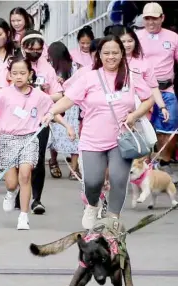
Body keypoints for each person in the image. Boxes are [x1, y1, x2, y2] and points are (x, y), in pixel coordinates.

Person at [42, 35, 154, 229]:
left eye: (115, 53)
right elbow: (69, 99)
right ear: (99, 55)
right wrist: (51, 111)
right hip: (92, 138)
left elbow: (149, 99)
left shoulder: (130, 76)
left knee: (119, 179)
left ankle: (112, 219)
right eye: (106, 53)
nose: (111, 57)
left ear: (122, 54)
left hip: (121, 139)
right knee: (93, 181)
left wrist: (134, 115)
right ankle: (92, 206)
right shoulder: (89, 76)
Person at [0, 57, 74, 230]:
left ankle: (23, 216)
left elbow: (52, 112)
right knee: (11, 183)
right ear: (9, 75)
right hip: (8, 139)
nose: (18, 77)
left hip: (30, 139)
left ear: (30, 74)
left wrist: (67, 126)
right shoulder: (3, 94)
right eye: (14, 73)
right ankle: (11, 193)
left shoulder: (40, 96)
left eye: (22, 73)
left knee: (25, 175)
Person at [0, 30, 63, 214]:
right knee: (15, 161)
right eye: (31, 49)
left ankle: (36, 199)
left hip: (39, 120)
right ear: (23, 47)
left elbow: (59, 94)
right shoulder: (11, 65)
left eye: (39, 49)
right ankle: (15, 192)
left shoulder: (47, 68)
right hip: (14, 122)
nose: (35, 53)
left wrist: (40, 93)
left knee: (37, 160)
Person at [136, 2, 178, 183]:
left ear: (162, 18)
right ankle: (142, 167)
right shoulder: (135, 37)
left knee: (170, 128)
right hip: (142, 91)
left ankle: (164, 163)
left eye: (155, 18)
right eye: (147, 18)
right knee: (142, 128)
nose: (151, 22)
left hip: (166, 89)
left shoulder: (173, 37)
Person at [45, 41, 81, 180]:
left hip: (72, 105)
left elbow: (79, 84)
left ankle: (74, 168)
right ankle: (53, 161)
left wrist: (64, 83)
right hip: (56, 103)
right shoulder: (49, 69)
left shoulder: (75, 67)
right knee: (55, 135)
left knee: (73, 135)